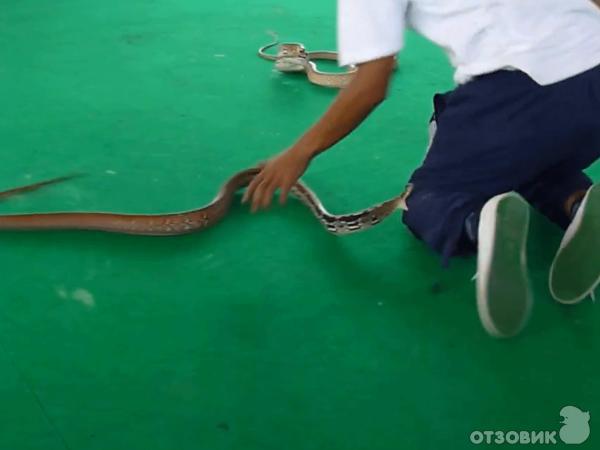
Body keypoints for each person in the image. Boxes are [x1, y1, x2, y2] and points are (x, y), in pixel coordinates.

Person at [242, 0, 600, 338]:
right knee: (519, 151)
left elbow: (370, 86)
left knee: (432, 199)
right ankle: (577, 201)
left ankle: (479, 224)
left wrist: (299, 153)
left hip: (522, 88)